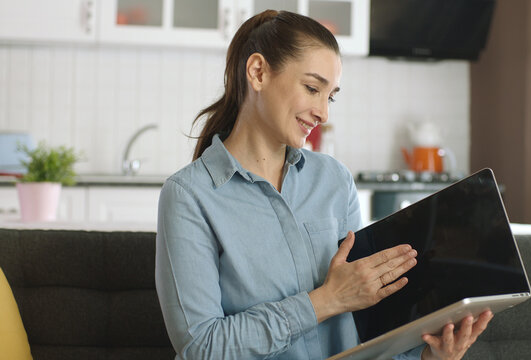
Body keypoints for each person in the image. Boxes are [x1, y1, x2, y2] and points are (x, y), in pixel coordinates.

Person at [155, 10, 492, 360]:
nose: (323, 113)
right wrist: (326, 300)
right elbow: (202, 348)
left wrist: (430, 357)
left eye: (329, 97)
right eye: (312, 88)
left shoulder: (333, 180)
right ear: (258, 72)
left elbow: (362, 329)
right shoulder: (189, 196)